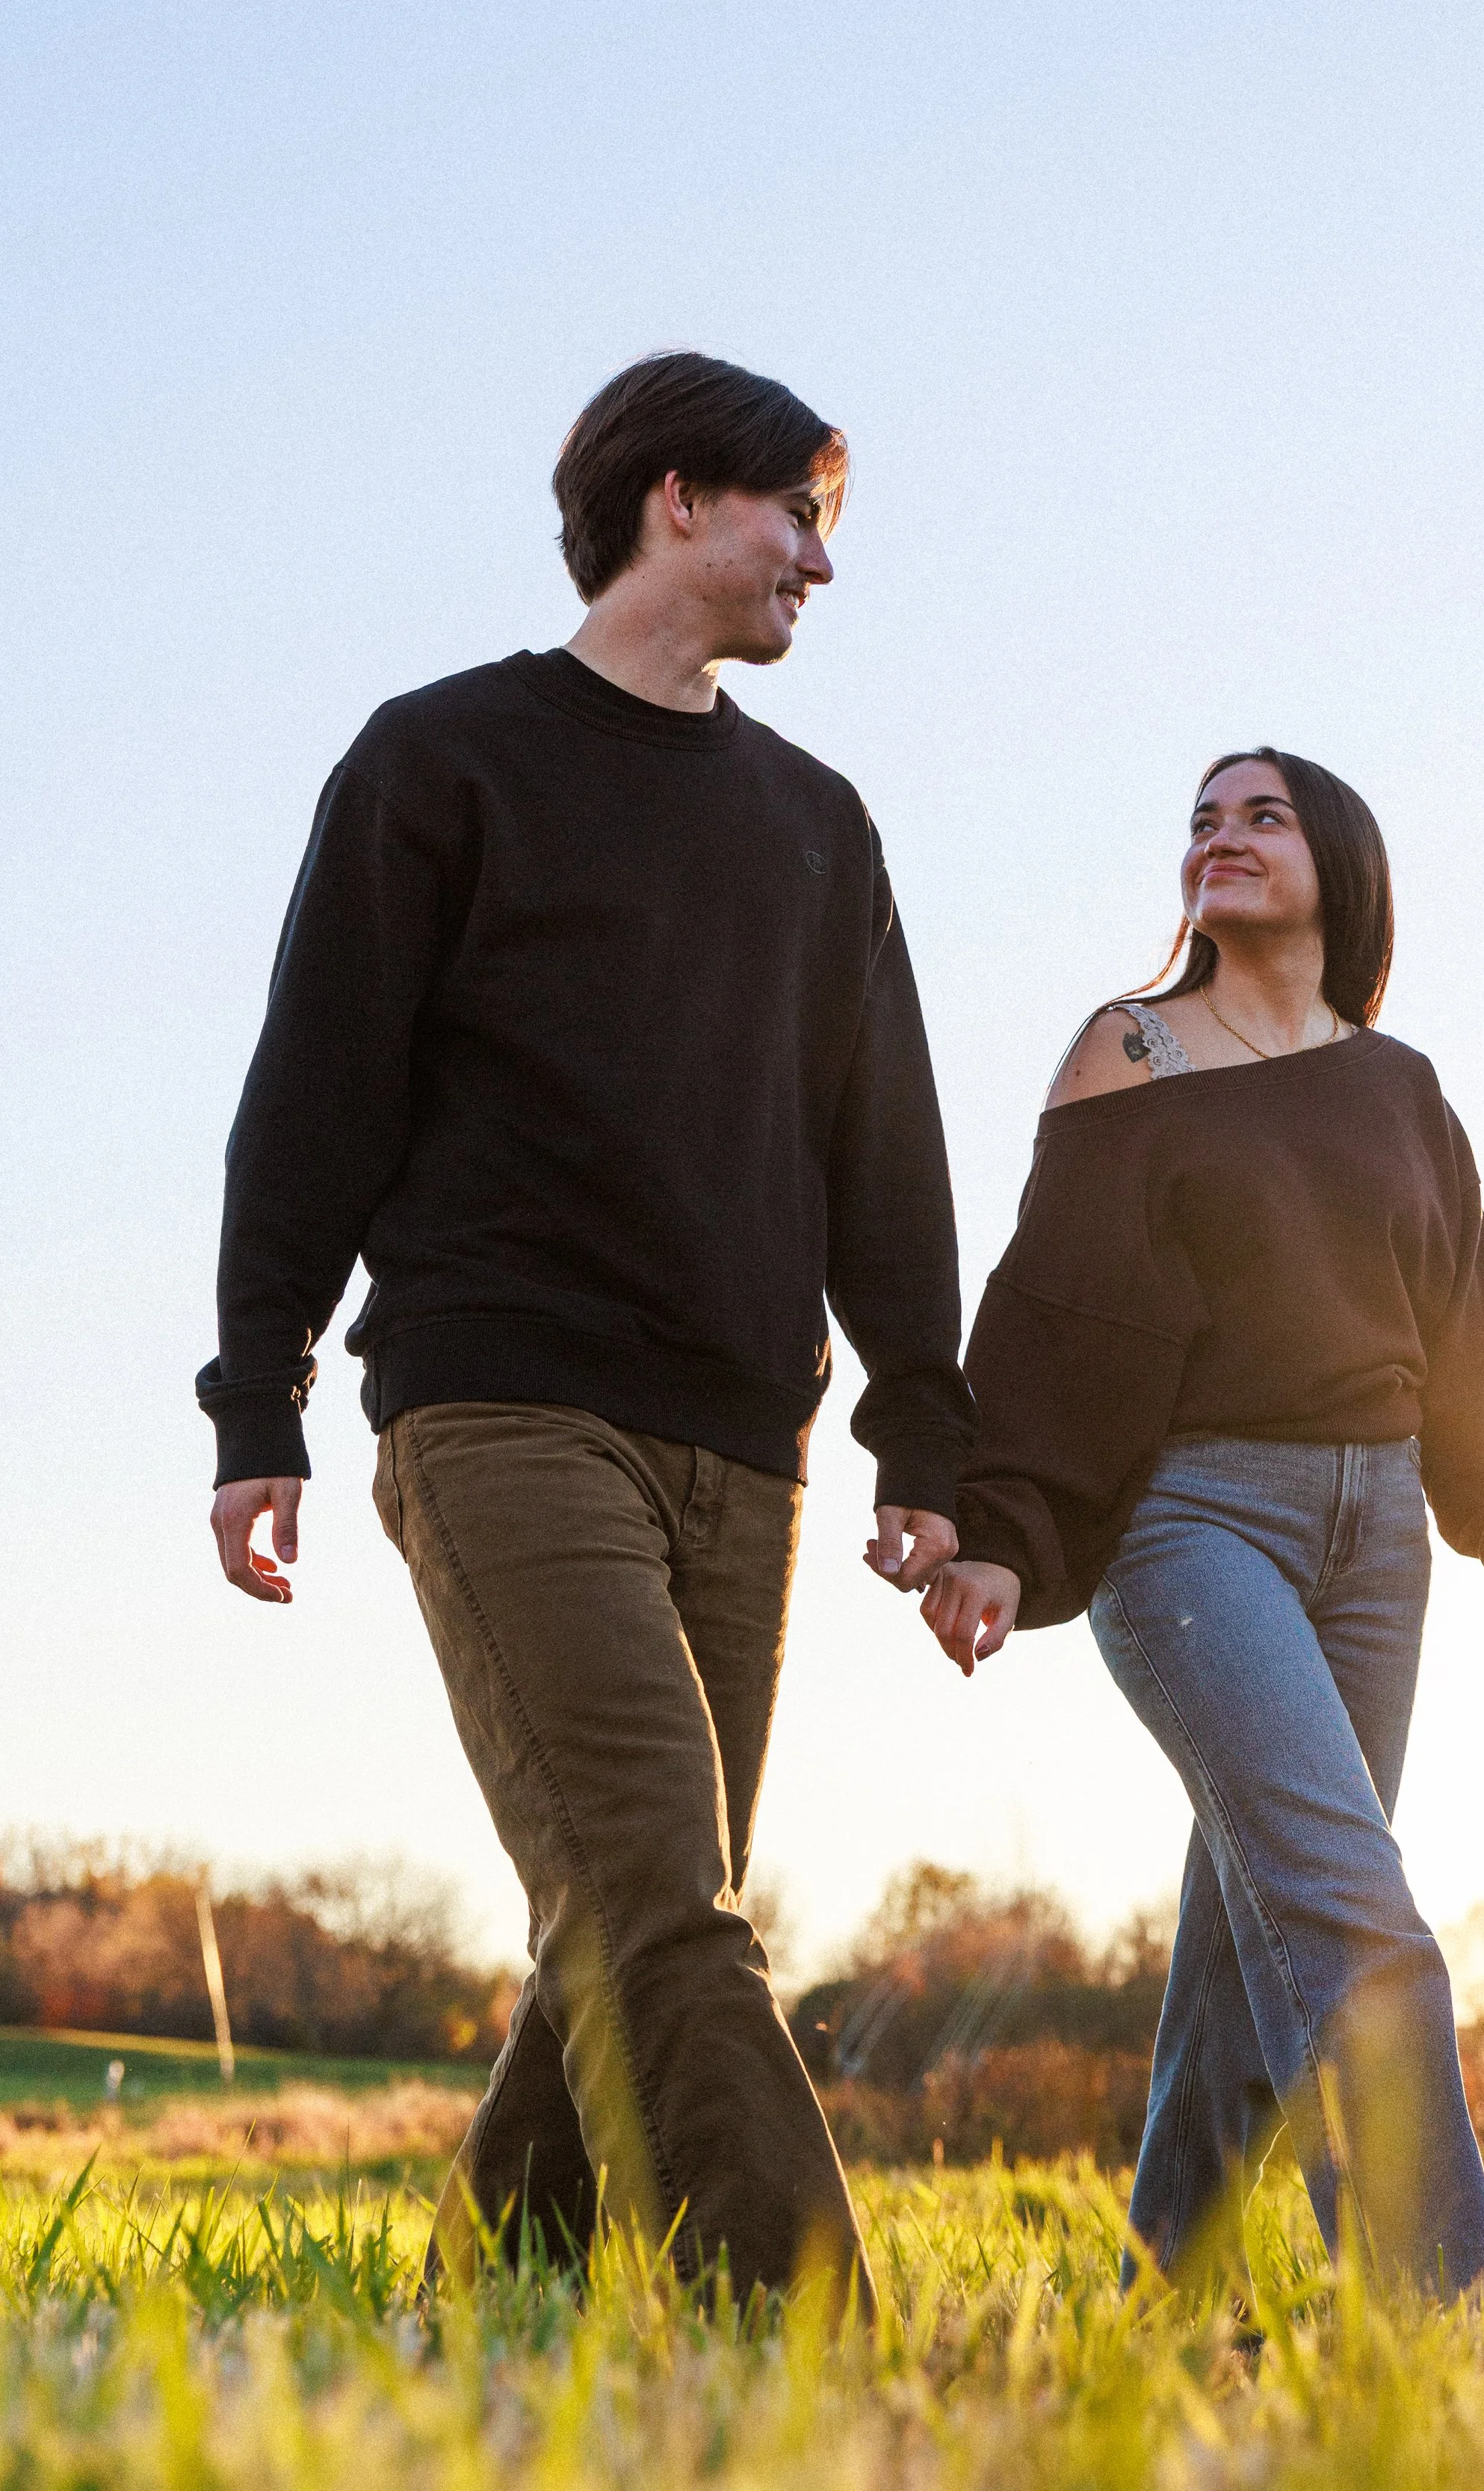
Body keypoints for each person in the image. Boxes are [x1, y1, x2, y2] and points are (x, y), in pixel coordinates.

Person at [197, 351, 974, 2306]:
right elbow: (317, 1094)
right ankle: (816, 2360)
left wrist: (927, 1442)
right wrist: (256, 1396)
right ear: (676, 502)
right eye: (797, 510)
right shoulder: (442, 761)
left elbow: (883, 1149)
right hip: (500, 1406)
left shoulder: (817, 824)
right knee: (666, 1910)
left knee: (621, 1929)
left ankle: (476, 2323)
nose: (821, 559)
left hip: (746, 1441)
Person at [918, 749, 1484, 2316]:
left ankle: (1161, 2314)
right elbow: (1051, 1306)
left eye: (1258, 815)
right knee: (1348, 1906)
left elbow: (1469, 1322)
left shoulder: (1396, 1083)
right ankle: (1450, 2332)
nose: (1218, 837)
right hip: (1191, 1525)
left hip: (1380, 1541)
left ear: (1336, 861)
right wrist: (1002, 1528)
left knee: (1249, 1933)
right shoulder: (1130, 1048)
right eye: (1200, 821)